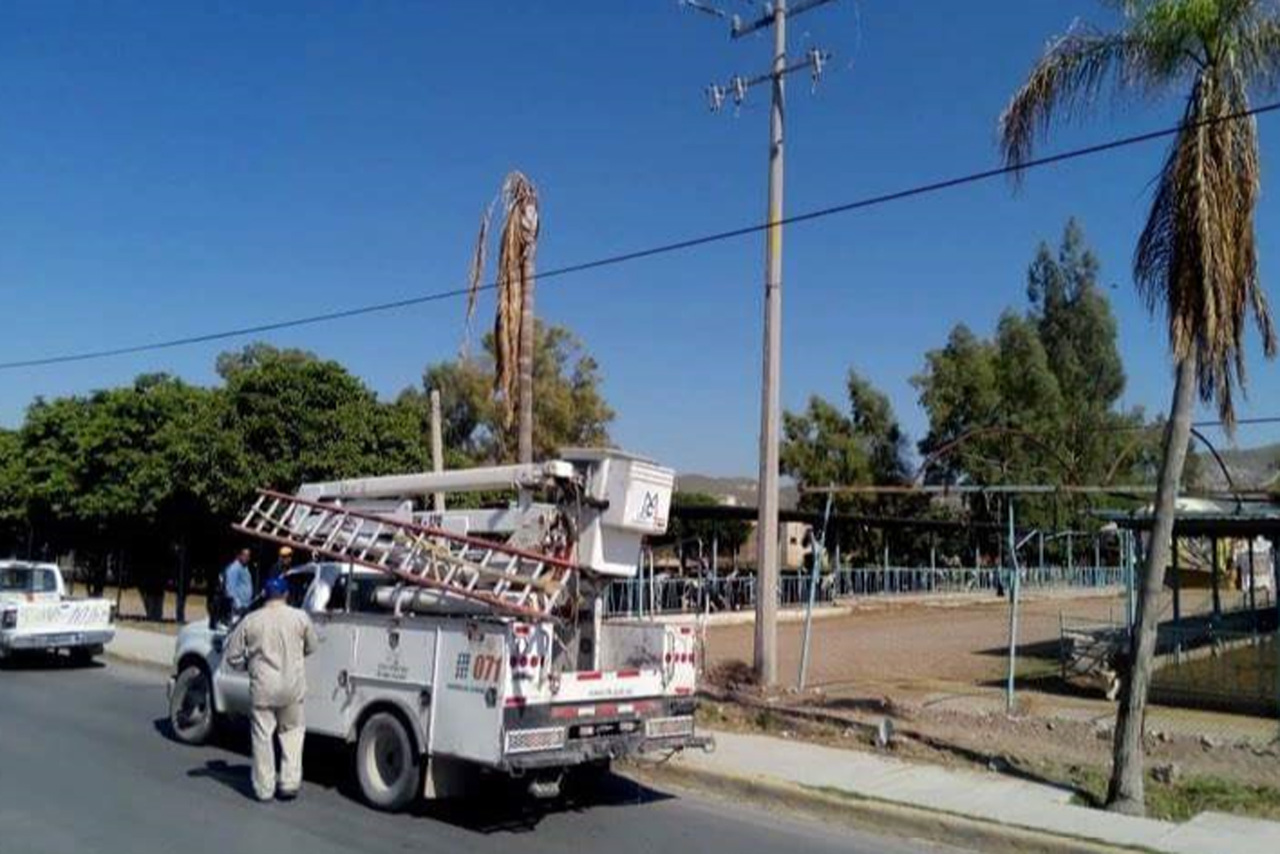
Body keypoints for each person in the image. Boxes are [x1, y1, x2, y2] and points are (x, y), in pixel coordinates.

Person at [224, 575, 318, 802]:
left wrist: (249, 666)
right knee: (292, 732)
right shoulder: (300, 618)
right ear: (286, 594)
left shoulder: (251, 620)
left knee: (262, 737)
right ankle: (289, 782)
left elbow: (232, 655)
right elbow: (312, 646)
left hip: (263, 688)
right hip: (292, 687)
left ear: (265, 595)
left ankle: (264, 788)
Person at [221, 548, 255, 619]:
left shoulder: (245, 568)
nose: (246, 558)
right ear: (239, 555)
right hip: (237, 607)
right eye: (244, 555)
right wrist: (238, 605)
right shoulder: (234, 568)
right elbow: (230, 588)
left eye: (248, 556)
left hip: (246, 605)